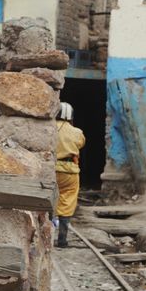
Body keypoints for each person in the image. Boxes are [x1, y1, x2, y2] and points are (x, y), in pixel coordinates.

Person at [54, 102, 85, 248]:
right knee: (67, 201)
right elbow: (80, 144)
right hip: (70, 172)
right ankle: (62, 240)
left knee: (48, 200)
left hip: (51, 170)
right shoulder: (77, 132)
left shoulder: (50, 128)